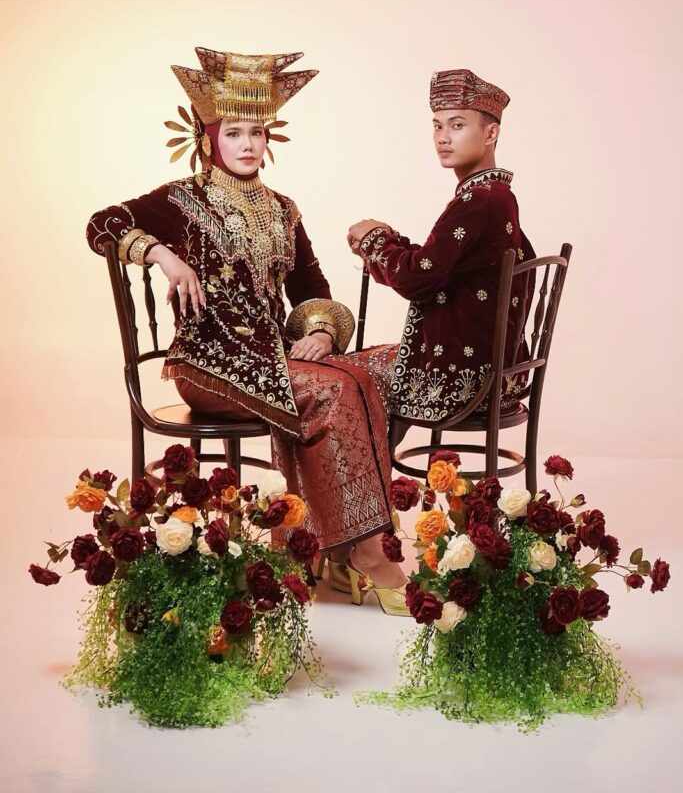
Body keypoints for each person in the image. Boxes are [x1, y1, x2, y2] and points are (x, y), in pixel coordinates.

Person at [86, 48, 407, 611]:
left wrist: (321, 333)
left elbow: (312, 287)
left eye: (256, 132)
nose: (247, 144)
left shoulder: (283, 210)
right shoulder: (180, 200)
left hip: (275, 359)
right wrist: (162, 254)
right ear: (209, 138)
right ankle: (365, 553)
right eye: (233, 133)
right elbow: (101, 225)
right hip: (207, 365)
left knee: (374, 369)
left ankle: (329, 546)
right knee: (334, 389)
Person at [347, 67, 534, 425]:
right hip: (491, 368)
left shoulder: (480, 200)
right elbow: (437, 263)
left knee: (338, 377)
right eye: (437, 126)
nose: (443, 138)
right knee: (354, 368)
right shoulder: (495, 195)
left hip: (464, 379)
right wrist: (388, 238)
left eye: (457, 125)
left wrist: (374, 239)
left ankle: (365, 465)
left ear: (491, 133)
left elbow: (415, 278)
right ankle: (378, 461)